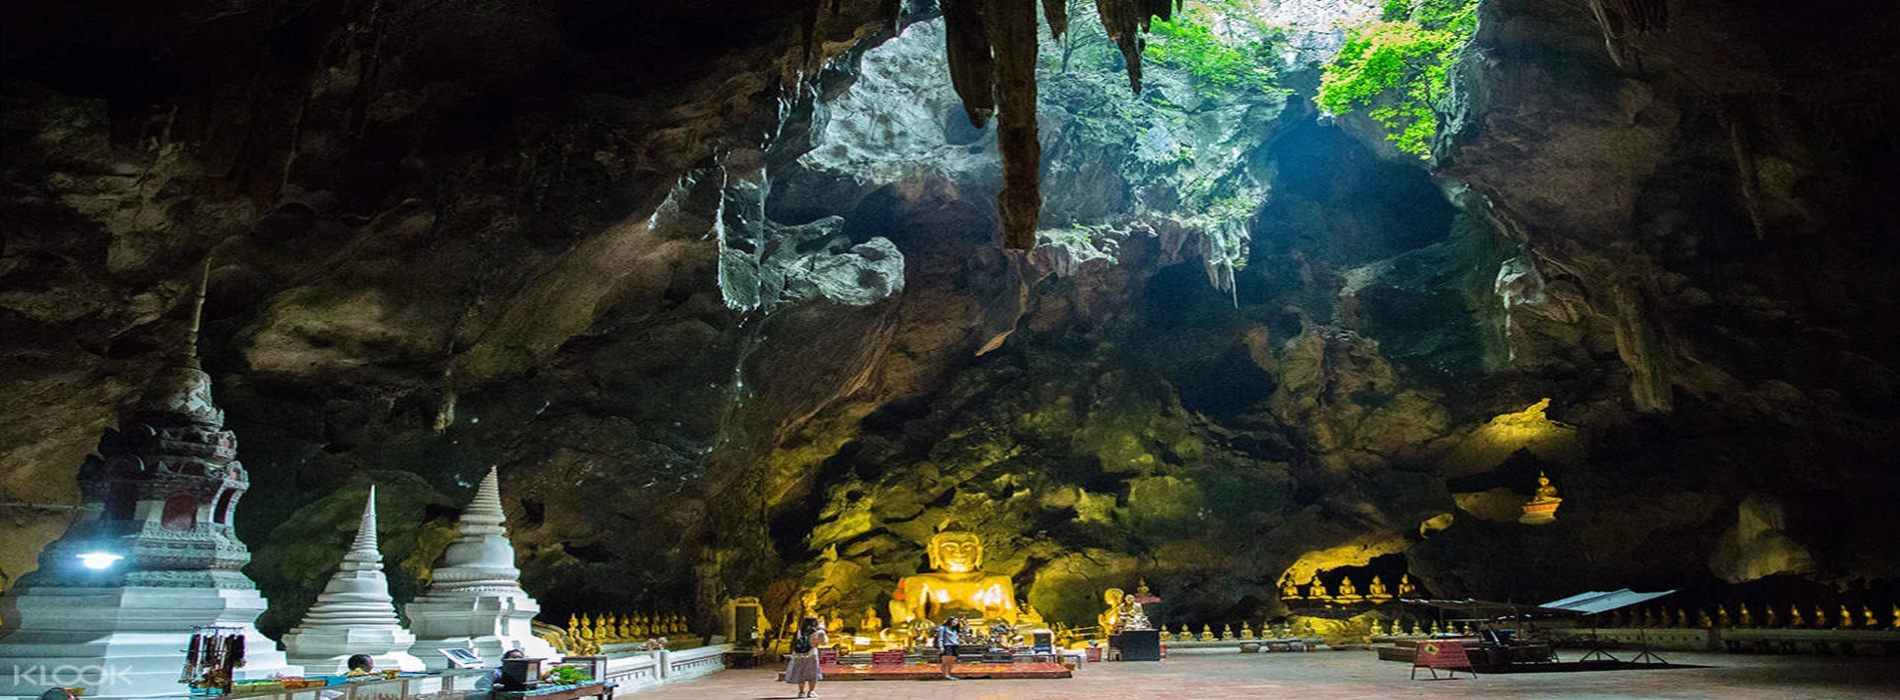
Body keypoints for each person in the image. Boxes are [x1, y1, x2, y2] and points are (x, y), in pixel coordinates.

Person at [784, 615, 827, 698]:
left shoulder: (799, 631)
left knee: (801, 673)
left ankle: (801, 692)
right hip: (811, 655)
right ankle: (811, 691)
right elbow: (824, 642)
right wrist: (823, 631)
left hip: (799, 656)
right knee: (812, 674)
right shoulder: (818, 632)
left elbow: (796, 643)